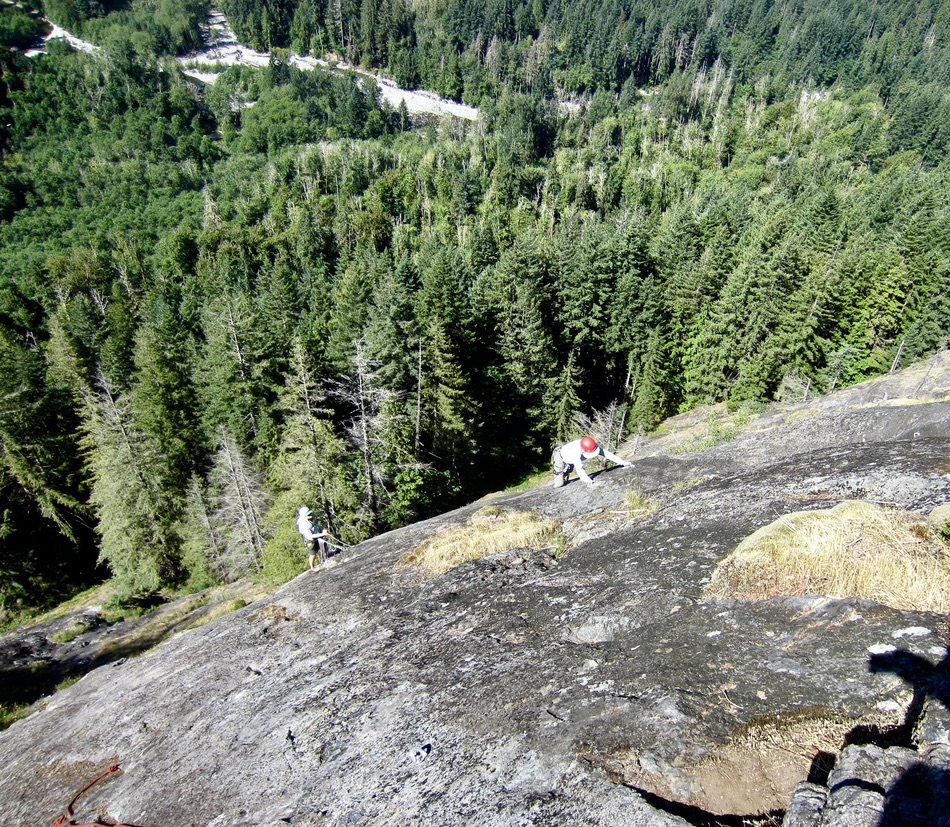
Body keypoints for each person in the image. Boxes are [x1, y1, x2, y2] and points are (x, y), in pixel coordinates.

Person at [551, 435, 630, 488]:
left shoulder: (591, 445)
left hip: (570, 459)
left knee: (568, 470)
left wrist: (623, 462)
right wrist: (588, 481)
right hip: (560, 457)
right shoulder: (576, 452)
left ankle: (565, 472)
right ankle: (561, 474)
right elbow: (579, 467)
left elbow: (606, 454)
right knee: (559, 484)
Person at [296, 506, 328, 572]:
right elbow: (309, 535)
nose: (311, 515)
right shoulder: (303, 524)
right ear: (304, 516)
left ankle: (326, 558)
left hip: (317, 535)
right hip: (310, 540)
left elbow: (317, 525)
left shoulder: (312, 518)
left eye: (310, 513)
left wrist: (322, 529)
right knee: (313, 553)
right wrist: (322, 534)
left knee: (324, 546)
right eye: (308, 515)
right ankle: (312, 568)